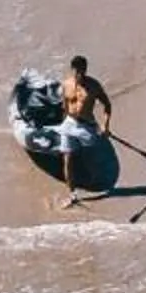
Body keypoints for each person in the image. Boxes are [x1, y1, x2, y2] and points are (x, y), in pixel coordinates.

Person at [58, 54, 113, 206]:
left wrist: (105, 125)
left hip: (86, 125)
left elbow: (107, 105)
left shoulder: (94, 86)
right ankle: (72, 195)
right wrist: (62, 125)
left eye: (83, 71)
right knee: (67, 159)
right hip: (69, 123)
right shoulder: (66, 84)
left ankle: (96, 181)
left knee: (91, 159)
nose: (80, 75)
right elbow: (64, 106)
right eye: (77, 72)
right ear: (72, 70)